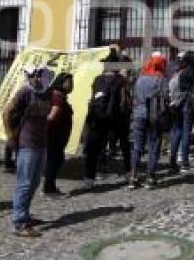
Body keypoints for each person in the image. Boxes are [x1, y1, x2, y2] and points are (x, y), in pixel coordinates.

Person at [3, 66, 54, 237]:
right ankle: (19, 222)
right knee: (24, 183)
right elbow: (7, 112)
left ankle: (25, 214)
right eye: (35, 76)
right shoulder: (24, 92)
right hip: (26, 143)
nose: (38, 79)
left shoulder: (47, 92)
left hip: (41, 142)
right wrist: (10, 136)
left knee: (35, 181)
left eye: (40, 75)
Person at [82, 50, 127, 189]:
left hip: (97, 115)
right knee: (124, 144)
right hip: (114, 116)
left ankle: (90, 177)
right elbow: (123, 100)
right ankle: (129, 173)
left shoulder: (97, 79)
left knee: (95, 146)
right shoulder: (120, 80)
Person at [129, 54, 168, 189]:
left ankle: (133, 177)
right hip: (154, 115)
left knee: (137, 147)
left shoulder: (140, 78)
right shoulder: (160, 78)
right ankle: (150, 177)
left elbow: (134, 95)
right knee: (153, 145)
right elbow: (165, 96)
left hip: (138, 114)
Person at [43, 72, 74, 197]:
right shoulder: (58, 97)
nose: (72, 85)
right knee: (54, 159)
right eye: (69, 83)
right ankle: (49, 188)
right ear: (61, 83)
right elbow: (52, 116)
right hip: (55, 134)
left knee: (56, 159)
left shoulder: (57, 95)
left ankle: (50, 185)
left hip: (57, 134)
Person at [168, 52, 194, 174]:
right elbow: (192, 90)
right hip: (186, 106)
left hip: (176, 105)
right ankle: (185, 163)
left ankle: (172, 161)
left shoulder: (178, 73)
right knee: (186, 134)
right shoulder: (190, 72)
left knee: (177, 133)